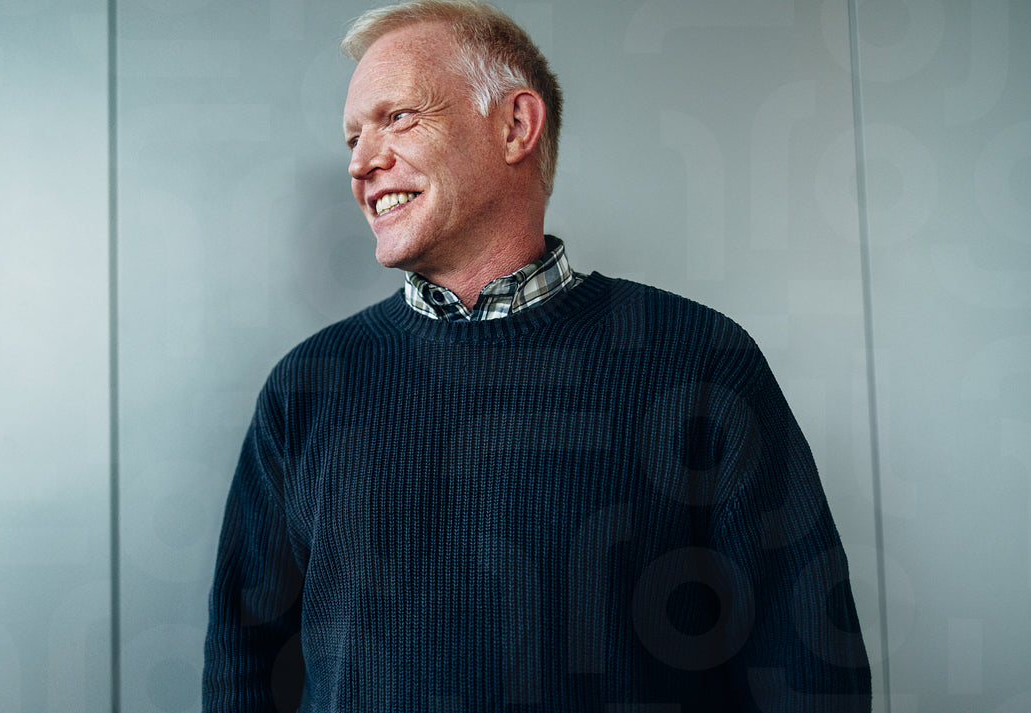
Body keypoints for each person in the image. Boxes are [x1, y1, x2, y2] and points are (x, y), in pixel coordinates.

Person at [202, 1, 872, 710]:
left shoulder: (701, 362)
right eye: (353, 137)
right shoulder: (306, 387)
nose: (362, 163)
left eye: (398, 117)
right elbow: (244, 668)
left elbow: (809, 671)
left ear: (516, 125)